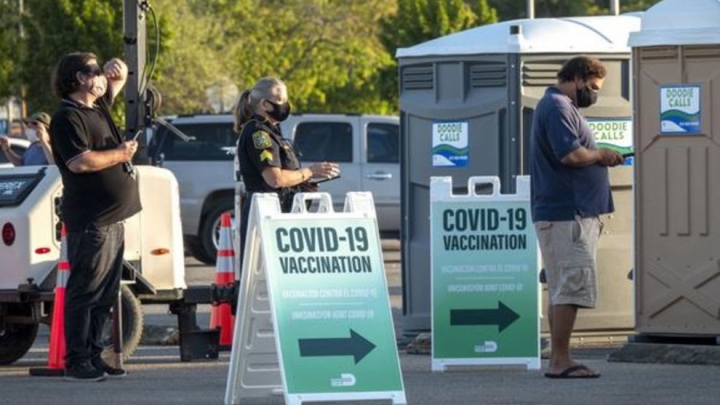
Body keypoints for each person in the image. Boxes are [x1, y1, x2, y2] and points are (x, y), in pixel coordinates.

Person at [529, 56, 624, 379]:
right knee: (570, 287)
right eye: (593, 88)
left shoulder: (559, 106)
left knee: (561, 288)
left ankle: (559, 358)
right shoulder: (557, 107)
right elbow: (571, 154)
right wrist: (603, 155)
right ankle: (561, 361)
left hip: (567, 213)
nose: (594, 94)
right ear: (579, 78)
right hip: (568, 215)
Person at [49, 52, 141, 382]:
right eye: (92, 70)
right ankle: (77, 361)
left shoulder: (95, 108)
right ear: (77, 78)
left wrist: (119, 73)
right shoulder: (67, 117)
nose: (98, 74)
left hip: (112, 218)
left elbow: (113, 85)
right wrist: (121, 154)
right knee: (85, 291)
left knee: (105, 293)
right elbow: (80, 162)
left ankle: (95, 354)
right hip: (91, 220)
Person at [233, 77, 339, 249]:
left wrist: (304, 181)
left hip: (279, 213)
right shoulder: (259, 134)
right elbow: (275, 179)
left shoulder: (272, 132)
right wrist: (310, 172)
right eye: (280, 100)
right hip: (266, 215)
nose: (285, 104)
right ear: (264, 105)